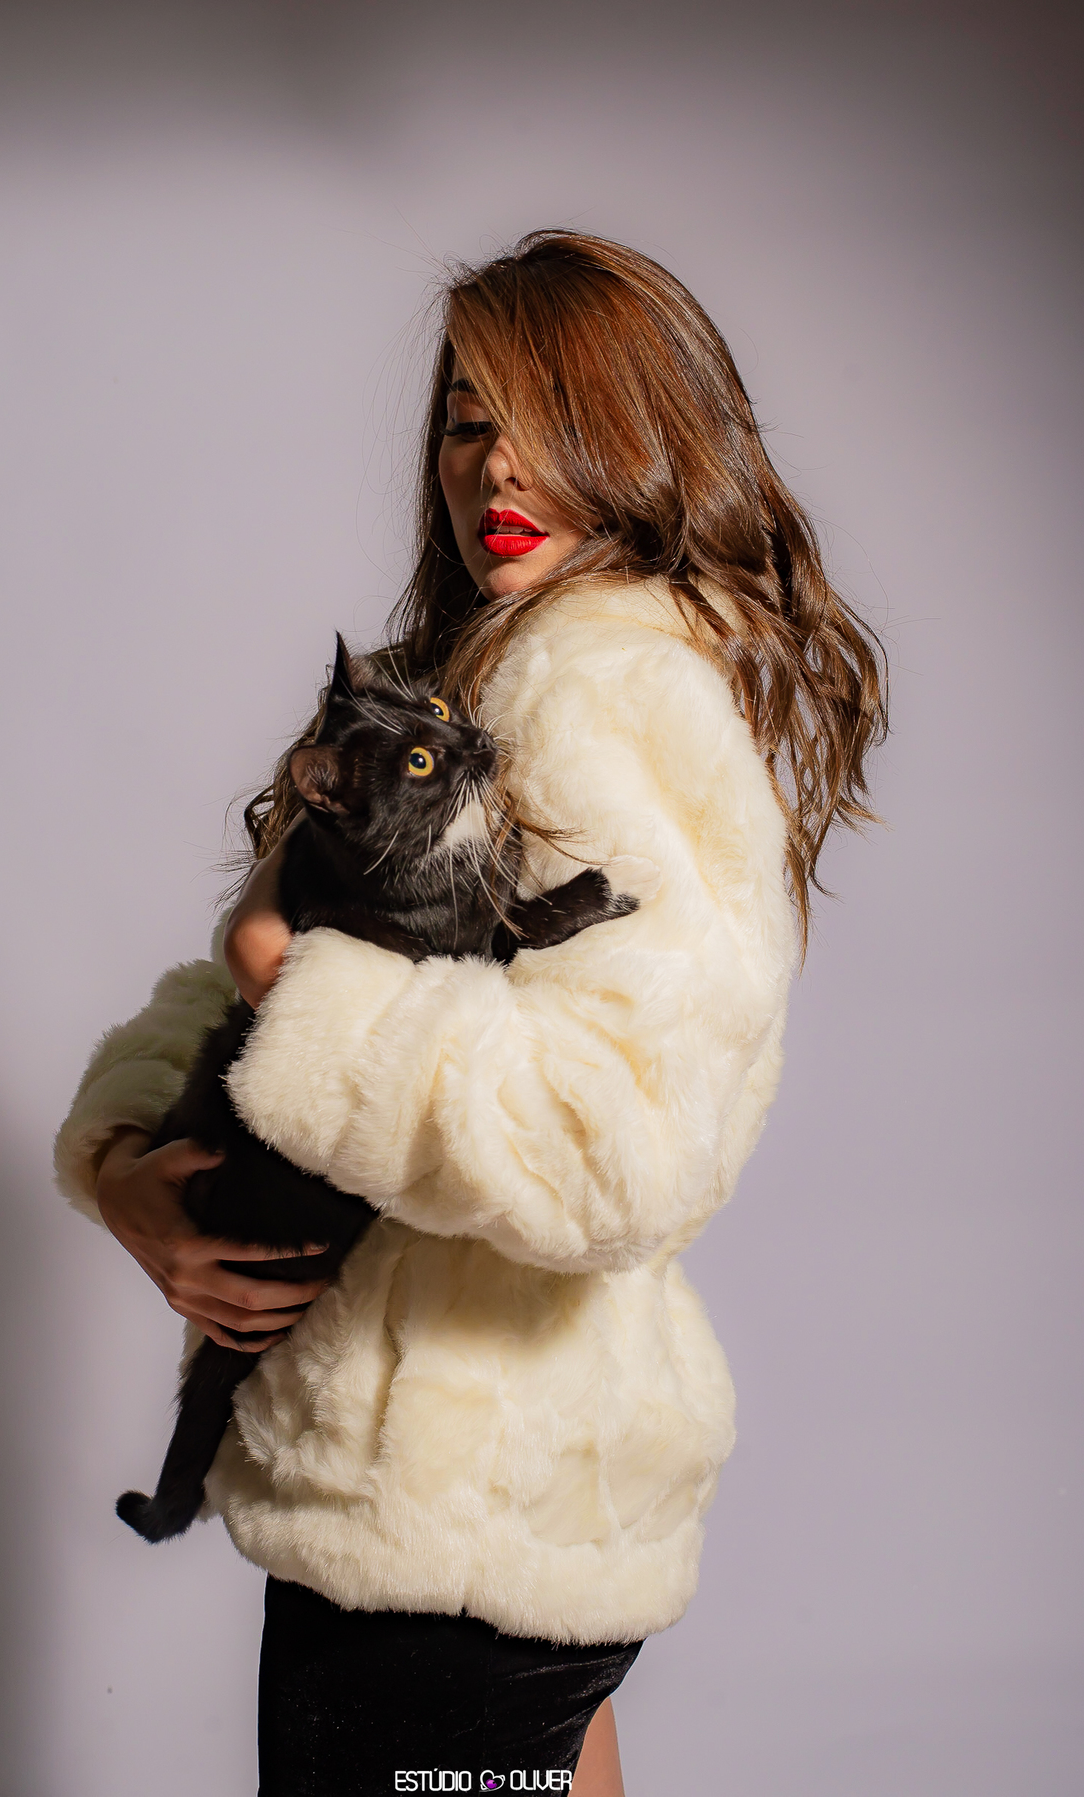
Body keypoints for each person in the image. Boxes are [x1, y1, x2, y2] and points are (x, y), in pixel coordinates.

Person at [54, 230, 886, 1796]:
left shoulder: (602, 690)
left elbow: (621, 1140)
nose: (494, 463)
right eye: (464, 419)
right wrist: (127, 1166)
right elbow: (256, 977)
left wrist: (296, 985)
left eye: (546, 416)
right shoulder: (473, 681)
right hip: (481, 1502)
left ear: (645, 433)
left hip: (452, 1524)